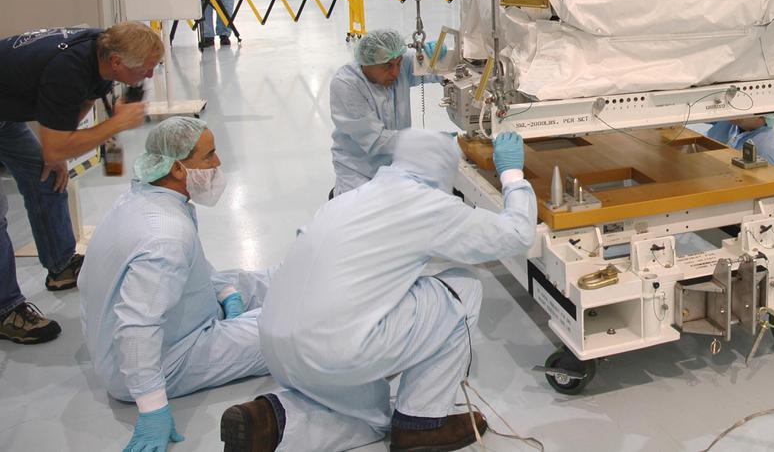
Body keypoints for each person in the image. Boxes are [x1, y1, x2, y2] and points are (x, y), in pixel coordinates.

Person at [220, 128, 536, 452]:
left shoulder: (352, 198)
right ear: (443, 167)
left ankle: (271, 421)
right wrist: (511, 174)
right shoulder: (426, 206)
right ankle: (421, 424)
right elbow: (517, 235)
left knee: (373, 414)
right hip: (333, 349)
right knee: (463, 288)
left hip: (275, 344)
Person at [80, 117, 270, 452]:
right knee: (281, 328)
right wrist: (153, 409)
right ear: (179, 169)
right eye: (209, 156)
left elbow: (190, 265)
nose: (218, 163)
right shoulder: (166, 235)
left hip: (166, 324)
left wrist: (226, 294)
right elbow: (138, 326)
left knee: (246, 280)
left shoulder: (146, 199)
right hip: (157, 359)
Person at [0, 23, 161, 345]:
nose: (150, 76)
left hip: (5, 117)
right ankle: (6, 310)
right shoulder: (67, 69)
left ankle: (61, 266)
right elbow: (57, 143)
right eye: (146, 69)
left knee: (46, 174)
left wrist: (59, 146)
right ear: (117, 63)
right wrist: (112, 125)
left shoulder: (99, 48)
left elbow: (82, 100)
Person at [329, 29, 443, 196]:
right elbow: (376, 141)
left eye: (398, 63)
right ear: (367, 64)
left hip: (397, 166)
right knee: (366, 216)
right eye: (388, 66)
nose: (396, 72)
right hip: (359, 171)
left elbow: (437, 71)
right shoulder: (347, 84)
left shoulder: (398, 66)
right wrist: (430, 143)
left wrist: (442, 59)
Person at [706, 115, 774, 167]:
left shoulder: (765, 148)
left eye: (744, 107)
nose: (734, 109)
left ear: (761, 119)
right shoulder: (731, 122)